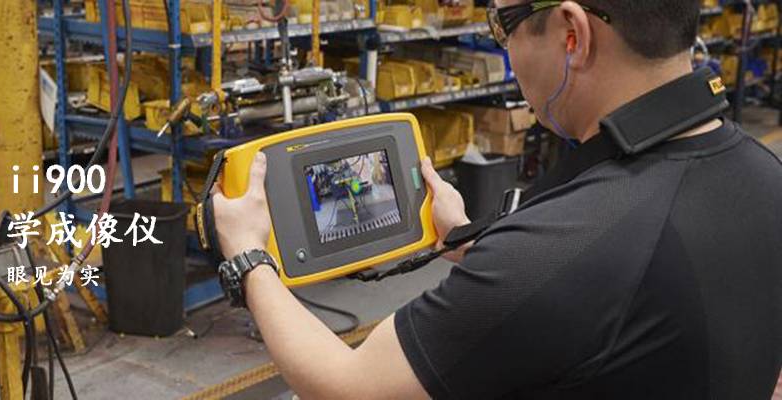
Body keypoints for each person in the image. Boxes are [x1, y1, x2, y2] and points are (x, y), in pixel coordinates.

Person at [212, 0, 782, 398]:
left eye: (503, 25)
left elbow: (348, 388)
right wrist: (475, 243)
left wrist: (249, 258)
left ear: (572, 34)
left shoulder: (566, 247)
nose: (505, 48)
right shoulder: (763, 174)